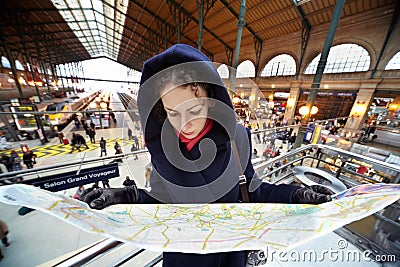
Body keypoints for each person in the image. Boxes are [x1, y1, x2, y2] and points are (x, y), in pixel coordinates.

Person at [84, 44, 332, 267]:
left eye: (193, 110)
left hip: (230, 253)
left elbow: (252, 189)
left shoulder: (237, 138)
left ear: (210, 100)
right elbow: (161, 205)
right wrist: (128, 196)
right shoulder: (163, 150)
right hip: (184, 258)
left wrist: (295, 194)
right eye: (173, 113)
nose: (184, 124)